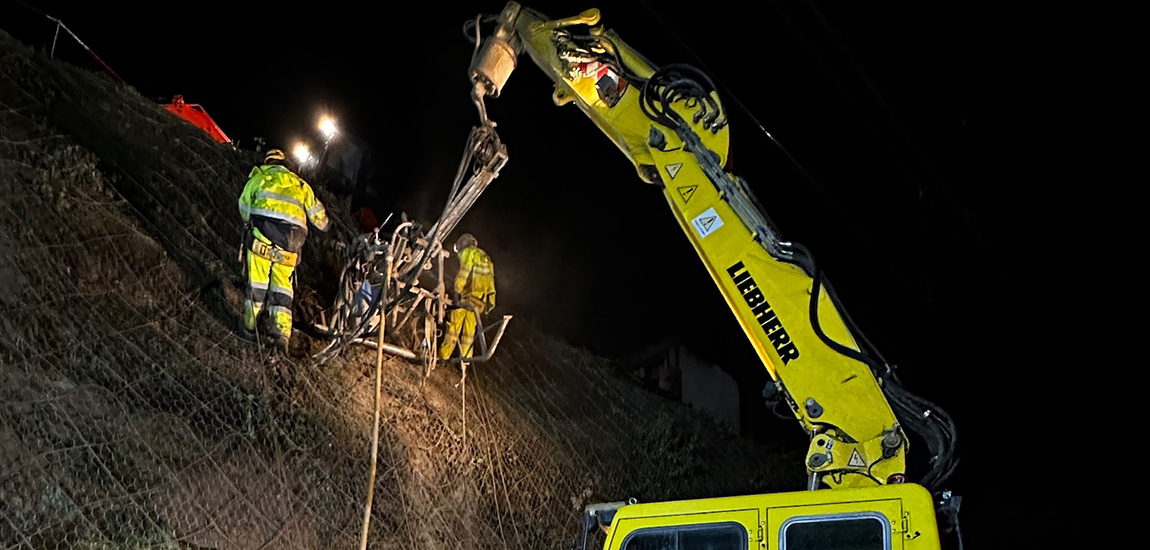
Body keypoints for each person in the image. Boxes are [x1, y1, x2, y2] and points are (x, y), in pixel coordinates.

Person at [237, 148, 329, 354]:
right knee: (282, 290)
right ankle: (280, 336)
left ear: (268, 162)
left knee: (257, 285)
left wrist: (249, 223)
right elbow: (320, 219)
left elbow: (243, 206)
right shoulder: (300, 185)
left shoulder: (260, 177)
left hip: (261, 238)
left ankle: (249, 329)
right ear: (286, 165)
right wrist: (326, 226)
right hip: (290, 245)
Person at [438, 233, 496, 361]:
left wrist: (456, 289)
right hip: (482, 297)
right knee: (469, 331)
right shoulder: (484, 256)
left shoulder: (468, 252)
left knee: (454, 325)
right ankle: (465, 360)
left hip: (469, 295)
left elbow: (464, 272)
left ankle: (443, 356)